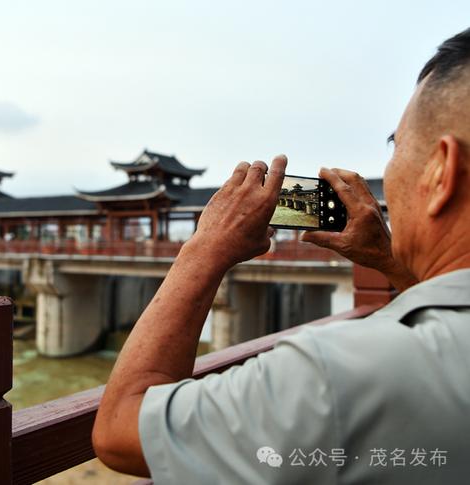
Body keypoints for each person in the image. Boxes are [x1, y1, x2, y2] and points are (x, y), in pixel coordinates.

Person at [92, 27, 470, 484]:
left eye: (396, 148)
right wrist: (389, 261)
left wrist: (206, 247)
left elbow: (120, 430)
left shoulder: (339, 376)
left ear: (442, 172)